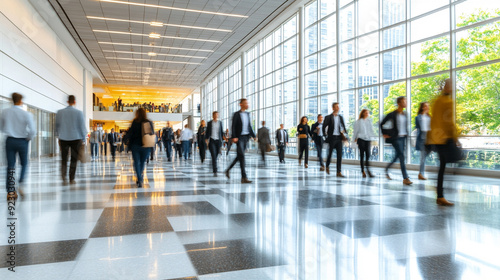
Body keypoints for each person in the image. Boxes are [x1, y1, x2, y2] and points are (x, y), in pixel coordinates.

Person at [0, 93, 37, 200]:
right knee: (24, 163)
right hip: (22, 141)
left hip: (10, 140)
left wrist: (9, 131)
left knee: (10, 166)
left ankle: (11, 191)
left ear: (12, 100)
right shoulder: (26, 114)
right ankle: (21, 183)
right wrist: (28, 138)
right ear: (21, 101)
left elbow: (1, 127)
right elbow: (33, 130)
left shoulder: (5, 112)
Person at [427, 79, 457, 206]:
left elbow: (433, 120)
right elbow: (448, 121)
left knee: (443, 166)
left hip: (436, 137)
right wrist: (455, 137)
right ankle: (440, 194)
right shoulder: (448, 101)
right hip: (444, 138)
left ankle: (440, 193)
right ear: (448, 88)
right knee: (448, 164)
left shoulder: (437, 101)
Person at [380, 96, 413, 185]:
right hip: (395, 138)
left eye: (406, 101)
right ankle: (405, 178)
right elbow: (382, 123)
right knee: (401, 156)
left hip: (403, 138)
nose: (405, 103)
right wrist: (384, 133)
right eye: (404, 101)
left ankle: (387, 168)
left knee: (398, 156)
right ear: (399, 103)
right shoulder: (392, 114)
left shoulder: (405, 114)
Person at [56, 95, 87, 185]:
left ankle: (63, 177)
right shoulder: (78, 113)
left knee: (64, 158)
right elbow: (82, 127)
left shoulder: (60, 112)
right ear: (74, 102)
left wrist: (58, 136)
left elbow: (57, 126)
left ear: (67, 101)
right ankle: (71, 178)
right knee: (74, 159)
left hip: (63, 138)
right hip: (76, 139)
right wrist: (83, 139)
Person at [225, 98, 256, 183]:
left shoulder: (248, 114)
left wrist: (254, 136)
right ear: (241, 104)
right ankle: (244, 177)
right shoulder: (236, 114)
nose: (247, 105)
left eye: (247, 103)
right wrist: (234, 136)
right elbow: (233, 126)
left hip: (246, 137)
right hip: (239, 137)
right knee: (242, 156)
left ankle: (228, 170)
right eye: (245, 103)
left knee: (240, 156)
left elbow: (249, 126)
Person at [123, 108, 153, 188]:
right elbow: (151, 133)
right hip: (145, 145)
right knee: (142, 162)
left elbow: (131, 133)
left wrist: (126, 140)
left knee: (136, 162)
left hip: (135, 145)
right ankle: (140, 176)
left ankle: (139, 178)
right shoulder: (148, 122)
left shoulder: (135, 122)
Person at [323, 102, 348, 177]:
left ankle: (338, 172)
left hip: (339, 138)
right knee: (330, 154)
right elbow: (324, 126)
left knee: (339, 155)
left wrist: (345, 136)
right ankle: (327, 166)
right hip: (332, 138)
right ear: (333, 108)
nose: (338, 108)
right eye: (337, 107)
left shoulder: (340, 117)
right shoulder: (328, 117)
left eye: (338, 107)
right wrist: (325, 136)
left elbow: (343, 127)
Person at [353, 109, 376, 178]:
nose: (367, 114)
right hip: (361, 139)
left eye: (368, 113)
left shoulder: (369, 121)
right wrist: (354, 139)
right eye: (366, 113)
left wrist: (374, 138)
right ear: (362, 113)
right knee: (362, 155)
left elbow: (371, 130)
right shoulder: (358, 122)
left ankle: (368, 169)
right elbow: (355, 131)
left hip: (368, 139)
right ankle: (363, 170)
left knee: (368, 155)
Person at [415, 102, 431, 180]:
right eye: (426, 106)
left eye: (428, 106)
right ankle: (421, 173)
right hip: (422, 138)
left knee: (426, 154)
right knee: (423, 157)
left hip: (429, 138)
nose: (428, 108)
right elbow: (417, 128)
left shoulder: (429, 117)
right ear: (423, 107)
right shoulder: (418, 117)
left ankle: (421, 173)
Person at [206, 111, 224, 176]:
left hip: (218, 141)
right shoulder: (210, 123)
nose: (216, 116)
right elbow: (207, 131)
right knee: (213, 155)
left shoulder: (220, 123)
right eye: (215, 115)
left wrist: (223, 138)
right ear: (213, 115)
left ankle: (214, 165)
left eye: (217, 115)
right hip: (212, 140)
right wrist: (206, 139)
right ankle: (215, 169)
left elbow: (221, 132)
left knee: (216, 155)